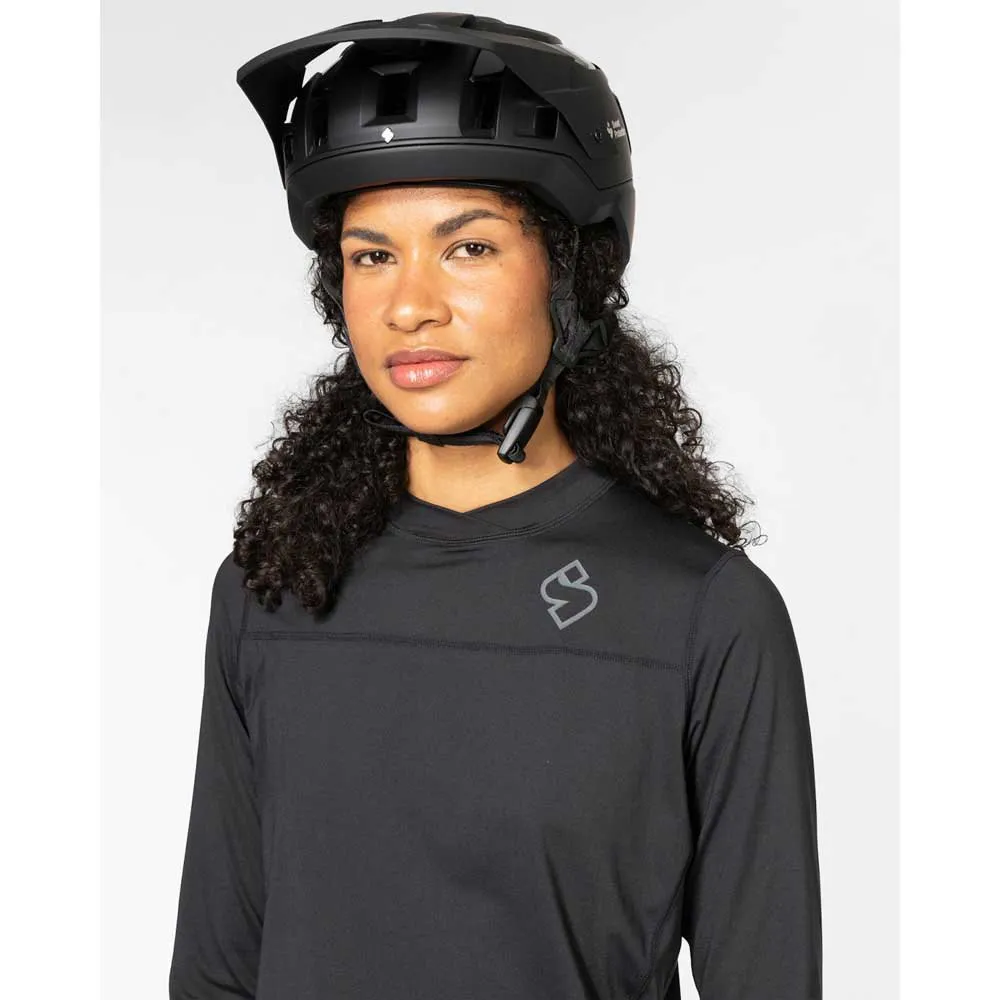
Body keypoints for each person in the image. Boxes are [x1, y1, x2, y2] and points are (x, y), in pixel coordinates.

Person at [168, 12, 823, 1000]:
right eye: (371, 256)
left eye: (467, 247)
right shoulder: (273, 585)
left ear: (573, 273)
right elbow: (215, 971)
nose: (409, 306)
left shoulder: (704, 613)